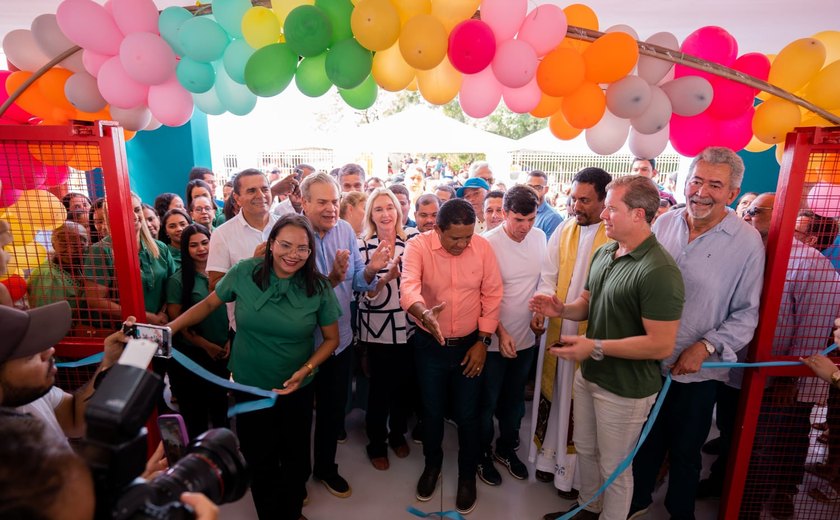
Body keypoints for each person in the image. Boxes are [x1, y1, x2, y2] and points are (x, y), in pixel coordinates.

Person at [530, 175, 685, 520]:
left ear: (640, 214)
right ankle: (589, 508)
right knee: (586, 450)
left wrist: (594, 346)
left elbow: (661, 344)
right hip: (592, 374)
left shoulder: (659, 270)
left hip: (626, 389)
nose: (603, 215)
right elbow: (586, 302)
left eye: (612, 208)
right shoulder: (605, 252)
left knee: (615, 469)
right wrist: (561, 309)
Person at [169, 215, 341, 520]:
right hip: (249, 385)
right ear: (271, 244)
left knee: (295, 459)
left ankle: (290, 511)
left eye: (302, 248)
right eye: (285, 245)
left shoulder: (317, 287)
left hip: (295, 388)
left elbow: (331, 339)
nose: (293, 254)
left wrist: (308, 368)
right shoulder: (244, 272)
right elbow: (209, 304)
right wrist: (170, 329)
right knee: (259, 458)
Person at [630, 147, 765, 520]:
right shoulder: (664, 223)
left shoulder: (747, 243)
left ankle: (680, 511)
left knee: (688, 450)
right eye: (696, 180)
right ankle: (638, 501)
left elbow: (746, 314)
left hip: (699, 371)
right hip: (647, 360)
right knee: (644, 441)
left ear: (733, 193)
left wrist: (705, 347)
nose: (701, 192)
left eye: (715, 185)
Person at [739, 193, 840, 519]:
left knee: (773, 444)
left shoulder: (810, 263)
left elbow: (812, 329)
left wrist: (790, 381)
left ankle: (762, 500)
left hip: (781, 380)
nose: (748, 215)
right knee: (744, 440)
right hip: (743, 369)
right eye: (748, 210)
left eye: (755, 210)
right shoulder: (751, 253)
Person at [400, 198, 503, 515]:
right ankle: (432, 467)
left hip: (470, 345)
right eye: (454, 238)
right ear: (437, 229)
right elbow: (408, 287)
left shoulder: (483, 248)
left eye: (468, 237)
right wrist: (423, 313)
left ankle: (466, 476)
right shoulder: (418, 247)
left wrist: (483, 341)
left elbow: (493, 293)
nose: (462, 244)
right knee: (430, 412)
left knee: (468, 414)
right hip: (430, 344)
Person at [300, 172, 389, 498]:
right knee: (296, 417)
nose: (331, 208)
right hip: (300, 345)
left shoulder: (344, 232)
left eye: (334, 201)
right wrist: (332, 279)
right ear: (304, 202)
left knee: (331, 412)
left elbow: (358, 284)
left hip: (339, 341)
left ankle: (326, 469)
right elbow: (293, 294)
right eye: (322, 202)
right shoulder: (290, 233)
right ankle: (296, 479)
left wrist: (371, 268)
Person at [529, 167, 613, 502]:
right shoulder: (563, 230)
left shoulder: (615, 235)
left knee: (580, 403)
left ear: (604, 200)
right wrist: (541, 306)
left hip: (591, 334)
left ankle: (574, 476)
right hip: (558, 327)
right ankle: (549, 459)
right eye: (574, 198)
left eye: (585, 200)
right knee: (556, 393)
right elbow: (548, 275)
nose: (576, 206)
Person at [478, 186, 546, 488]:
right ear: (503, 214)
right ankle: (481, 454)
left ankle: (506, 449)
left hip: (527, 339)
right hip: (492, 341)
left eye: (531, 219)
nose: (525, 227)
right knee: (486, 402)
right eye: (519, 219)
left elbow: (544, 281)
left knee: (515, 401)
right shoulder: (486, 244)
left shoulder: (541, 237)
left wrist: (540, 312)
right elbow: (480, 296)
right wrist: (500, 332)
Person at [357, 188, 419, 470]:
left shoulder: (413, 243)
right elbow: (362, 297)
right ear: (371, 214)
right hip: (377, 331)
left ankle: (397, 435)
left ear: (399, 211)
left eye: (390, 207)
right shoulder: (362, 246)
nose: (385, 214)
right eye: (379, 209)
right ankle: (376, 443)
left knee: (403, 389)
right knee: (379, 391)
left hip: (407, 329)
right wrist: (384, 279)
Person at [166, 224, 230, 437]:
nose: (201, 248)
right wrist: (205, 345)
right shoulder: (177, 281)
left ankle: (224, 452)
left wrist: (230, 340)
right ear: (185, 249)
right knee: (196, 412)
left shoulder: (225, 274)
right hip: (192, 355)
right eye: (193, 245)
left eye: (205, 242)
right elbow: (179, 322)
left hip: (222, 351)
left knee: (221, 406)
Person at [85, 193, 176, 326]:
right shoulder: (100, 251)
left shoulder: (160, 248)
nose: (134, 216)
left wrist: (163, 312)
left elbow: (173, 287)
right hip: (122, 330)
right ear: (112, 216)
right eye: (126, 211)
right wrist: (144, 317)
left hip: (160, 325)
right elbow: (95, 300)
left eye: (137, 210)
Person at [207, 168, 279, 330]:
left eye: (264, 189)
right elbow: (215, 287)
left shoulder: (286, 226)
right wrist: (251, 267)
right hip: (247, 332)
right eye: (252, 191)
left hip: (286, 328)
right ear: (237, 198)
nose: (260, 195)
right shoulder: (222, 235)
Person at [27, 222, 114, 331]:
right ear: (53, 245)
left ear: (88, 245)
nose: (70, 251)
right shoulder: (47, 275)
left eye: (78, 245)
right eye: (63, 244)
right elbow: (46, 321)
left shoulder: (82, 266)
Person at [525, 170, 564, 239]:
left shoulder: (553, 218)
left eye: (538, 187)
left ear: (546, 190)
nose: (533, 190)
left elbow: (548, 248)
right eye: (529, 187)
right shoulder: (521, 211)